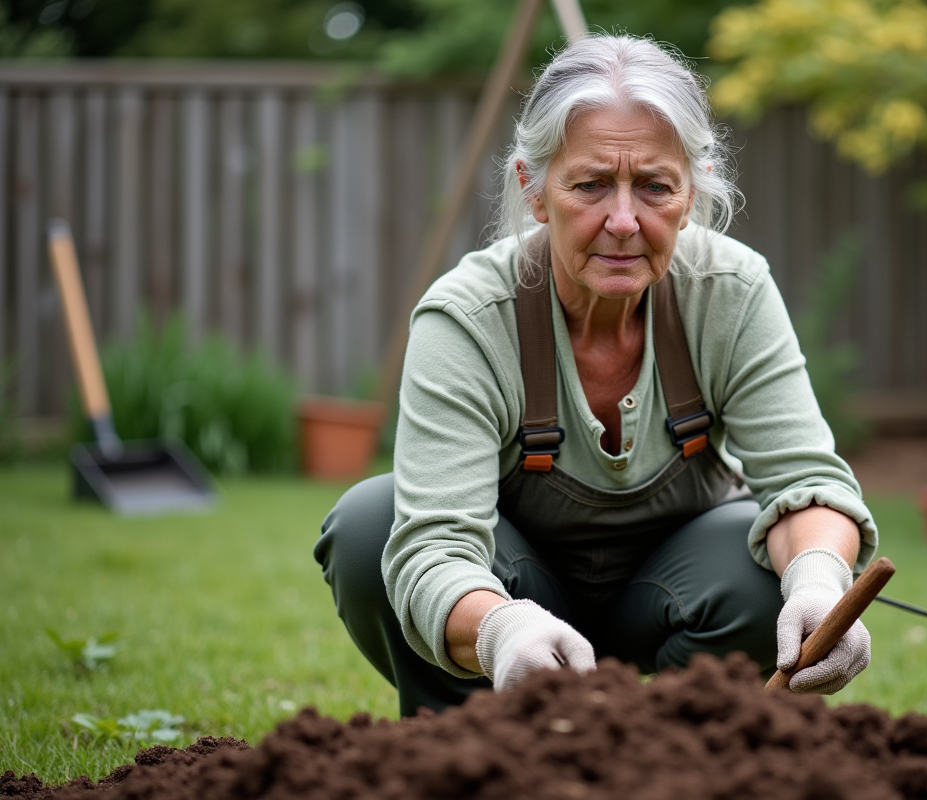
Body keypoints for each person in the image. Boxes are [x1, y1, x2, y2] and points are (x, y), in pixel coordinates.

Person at [314, 33, 879, 716]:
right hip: (516, 586)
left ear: (692, 191)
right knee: (371, 526)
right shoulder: (467, 318)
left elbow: (807, 482)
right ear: (534, 187)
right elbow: (437, 544)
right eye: (589, 184)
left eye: (654, 186)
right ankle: (467, 749)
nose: (622, 221)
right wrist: (499, 629)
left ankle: (682, 750)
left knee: (774, 564)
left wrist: (820, 581)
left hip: (674, 594)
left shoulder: (730, 290)